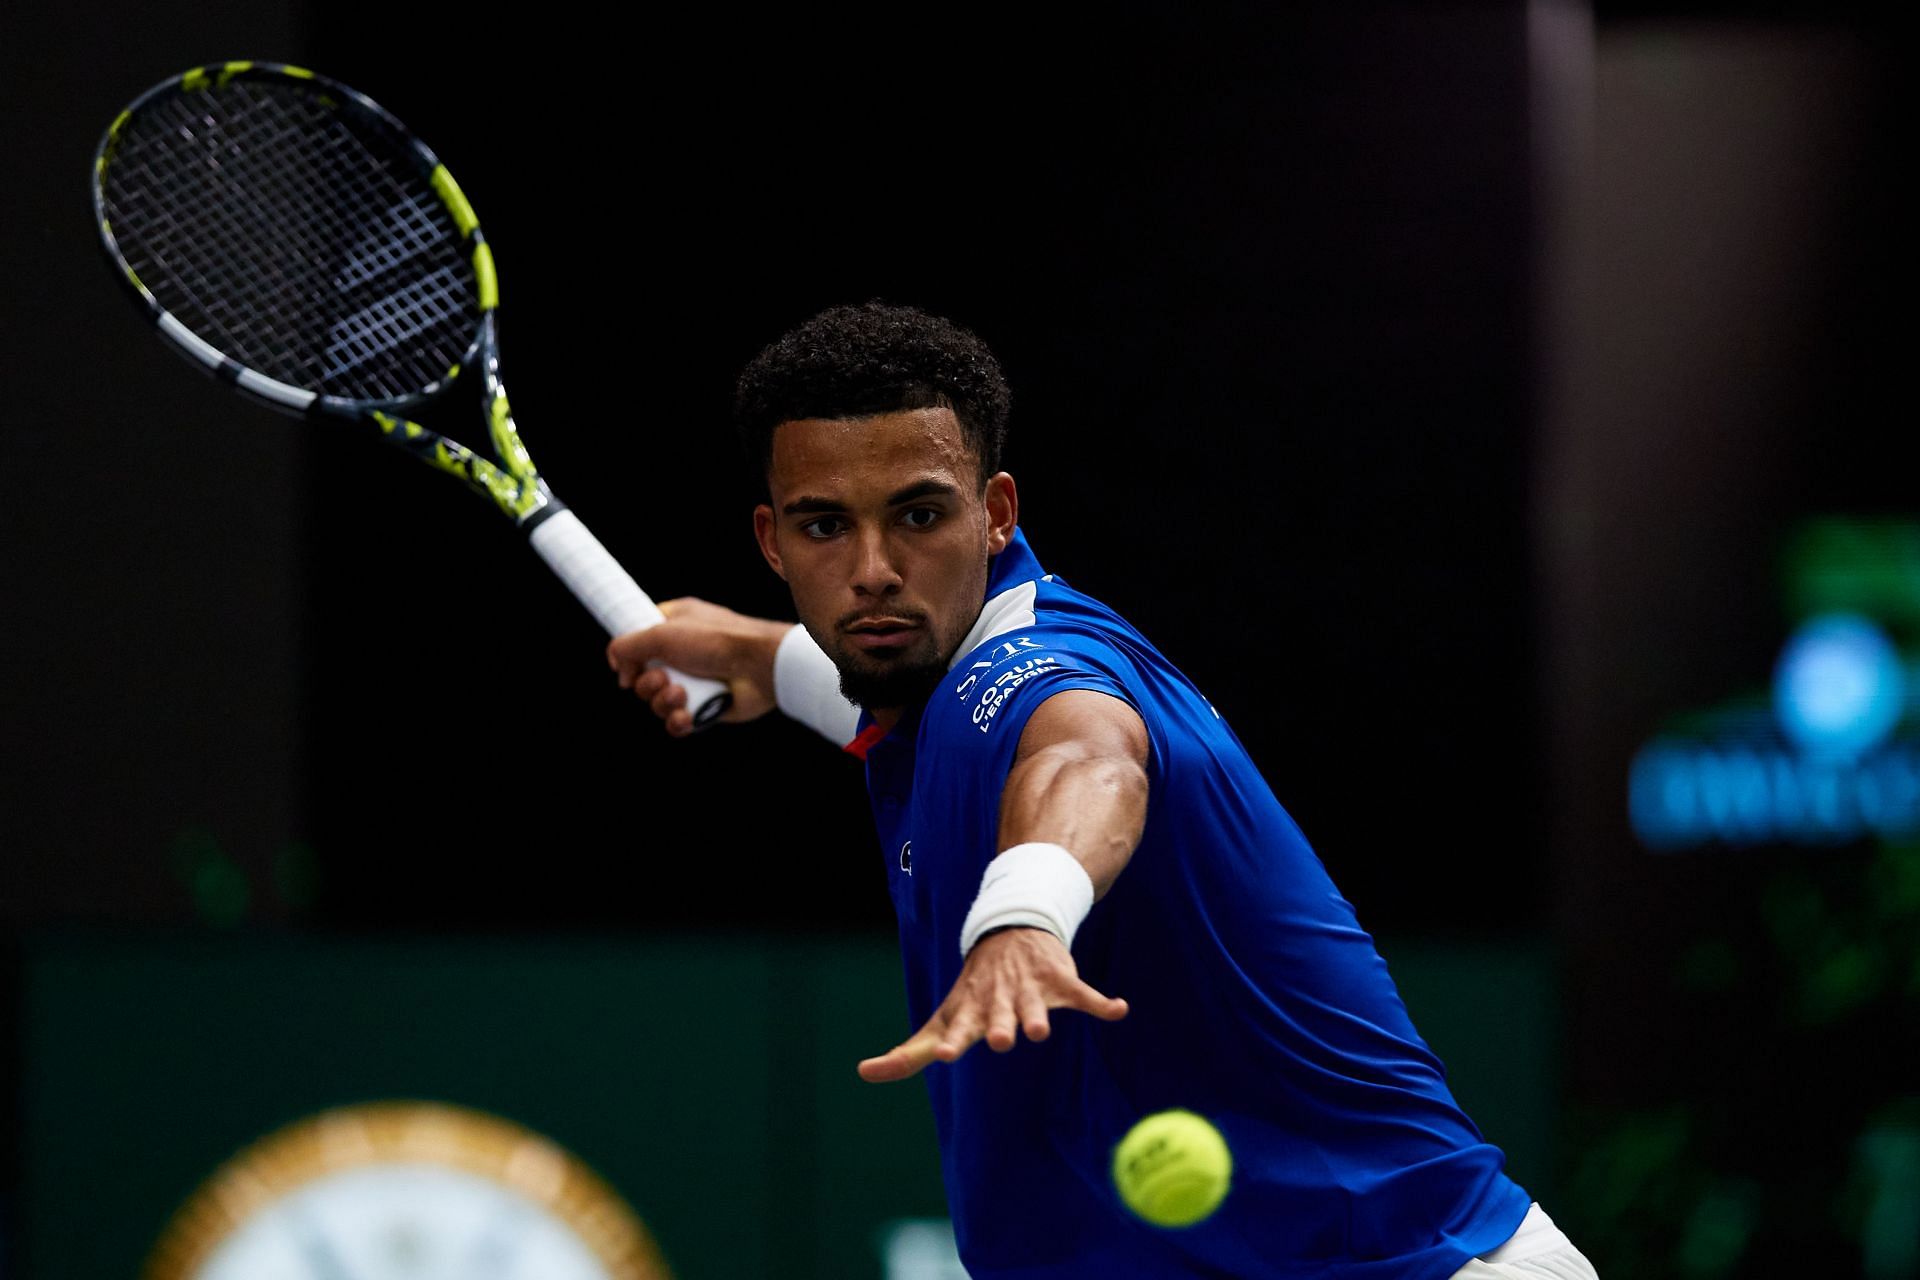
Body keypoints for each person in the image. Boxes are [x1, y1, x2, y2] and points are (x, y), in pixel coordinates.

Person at [607, 302, 1598, 1279]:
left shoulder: (1044, 670)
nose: (873, 570)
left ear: (995, 514)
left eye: (918, 513)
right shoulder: (940, 680)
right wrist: (765, 659)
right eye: (826, 525)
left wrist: (1026, 913)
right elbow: (911, 704)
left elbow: (1085, 762)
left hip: (1417, 1264)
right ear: (771, 541)